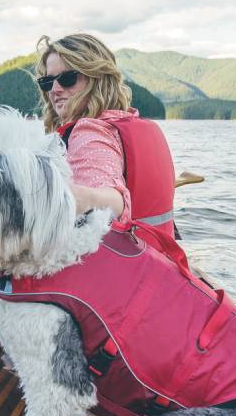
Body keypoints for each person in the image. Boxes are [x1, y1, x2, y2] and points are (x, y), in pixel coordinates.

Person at [33, 34, 180, 254]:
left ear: (97, 79)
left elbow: (112, 200)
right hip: (161, 262)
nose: (54, 89)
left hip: (121, 272)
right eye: (47, 82)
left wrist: (55, 197)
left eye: (67, 79)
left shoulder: (90, 133)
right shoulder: (132, 124)